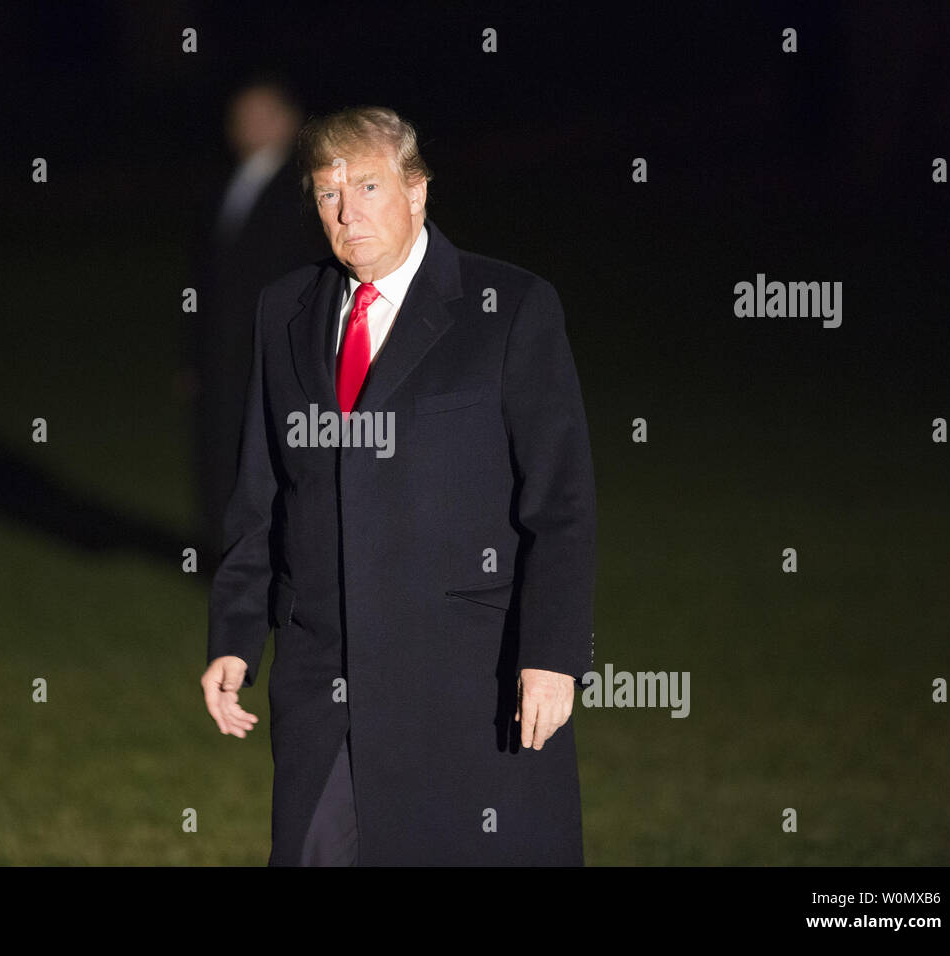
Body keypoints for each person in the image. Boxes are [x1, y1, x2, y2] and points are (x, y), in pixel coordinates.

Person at [201, 105, 596, 865]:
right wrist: (236, 636)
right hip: (325, 683)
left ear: (417, 192)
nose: (348, 214)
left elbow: (562, 503)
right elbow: (261, 492)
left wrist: (551, 654)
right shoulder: (285, 309)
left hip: (468, 685)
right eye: (327, 194)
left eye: (371, 187)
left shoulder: (508, 307)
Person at [192, 80, 329, 562]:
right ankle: (227, 559)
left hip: (273, 352)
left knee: (279, 461)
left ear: (289, 121)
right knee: (219, 453)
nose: (247, 126)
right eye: (240, 115)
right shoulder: (229, 183)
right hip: (224, 356)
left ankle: (283, 562)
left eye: (261, 114)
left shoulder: (307, 190)